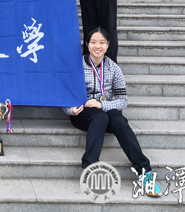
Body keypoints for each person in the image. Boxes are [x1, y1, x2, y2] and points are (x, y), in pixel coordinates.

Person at [65, 27, 161, 197]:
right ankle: (90, 168)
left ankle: (144, 172)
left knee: (118, 120)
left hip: (104, 108)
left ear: (108, 45)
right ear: (87, 44)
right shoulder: (76, 66)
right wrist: (70, 109)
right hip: (83, 113)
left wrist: (102, 105)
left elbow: (123, 100)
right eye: (93, 42)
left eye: (102, 42)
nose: (97, 46)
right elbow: (64, 95)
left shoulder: (113, 68)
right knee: (100, 118)